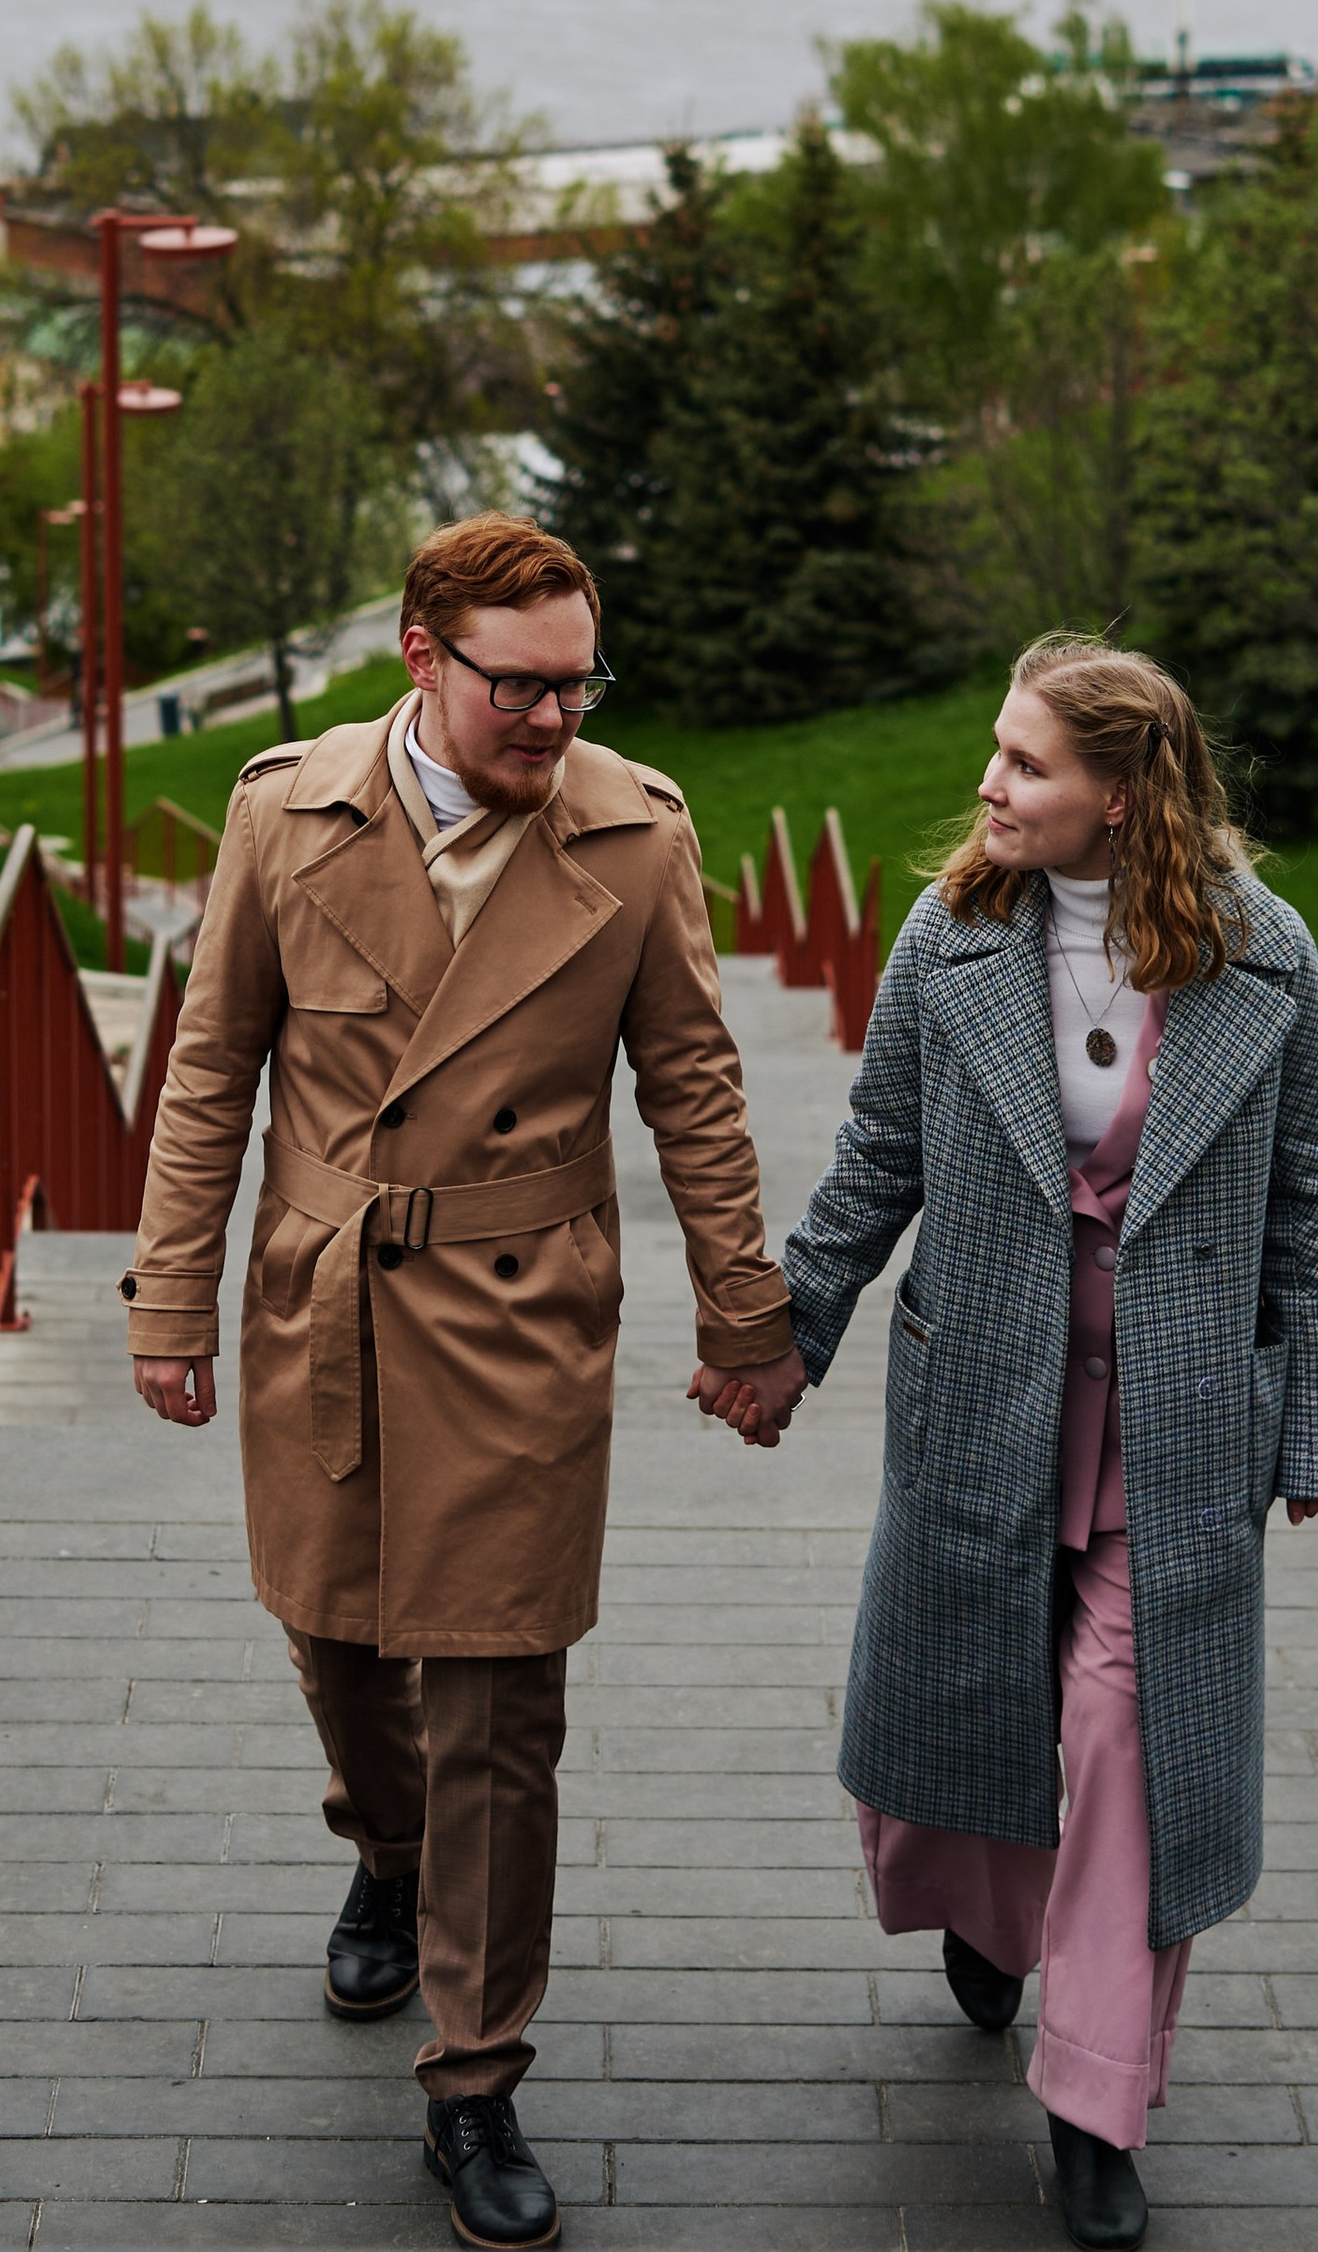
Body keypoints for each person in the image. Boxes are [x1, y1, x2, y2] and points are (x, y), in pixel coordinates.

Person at [124, 514, 804, 2252]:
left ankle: (478, 2073)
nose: (556, 720)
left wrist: (747, 1316)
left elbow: (699, 1091)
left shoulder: (637, 836)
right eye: (522, 687)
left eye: (580, 684)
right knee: (344, 1649)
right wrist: (168, 1301)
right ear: (424, 661)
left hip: (522, 1317)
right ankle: (381, 1843)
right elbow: (212, 1071)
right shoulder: (286, 817)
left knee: (501, 1701)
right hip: (325, 1302)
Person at [760, 635, 1318, 2248]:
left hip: (1174, 1425)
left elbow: (1309, 1200)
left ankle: (1097, 2100)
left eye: (1026, 762)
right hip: (986, 1389)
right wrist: (785, 1337)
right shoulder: (949, 938)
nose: (989, 782)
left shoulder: (1264, 958)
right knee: (974, 1693)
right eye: (997, 752)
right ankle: (990, 1918)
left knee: (1127, 1735)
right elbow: (877, 1158)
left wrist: (1311, 1423)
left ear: (1122, 793)